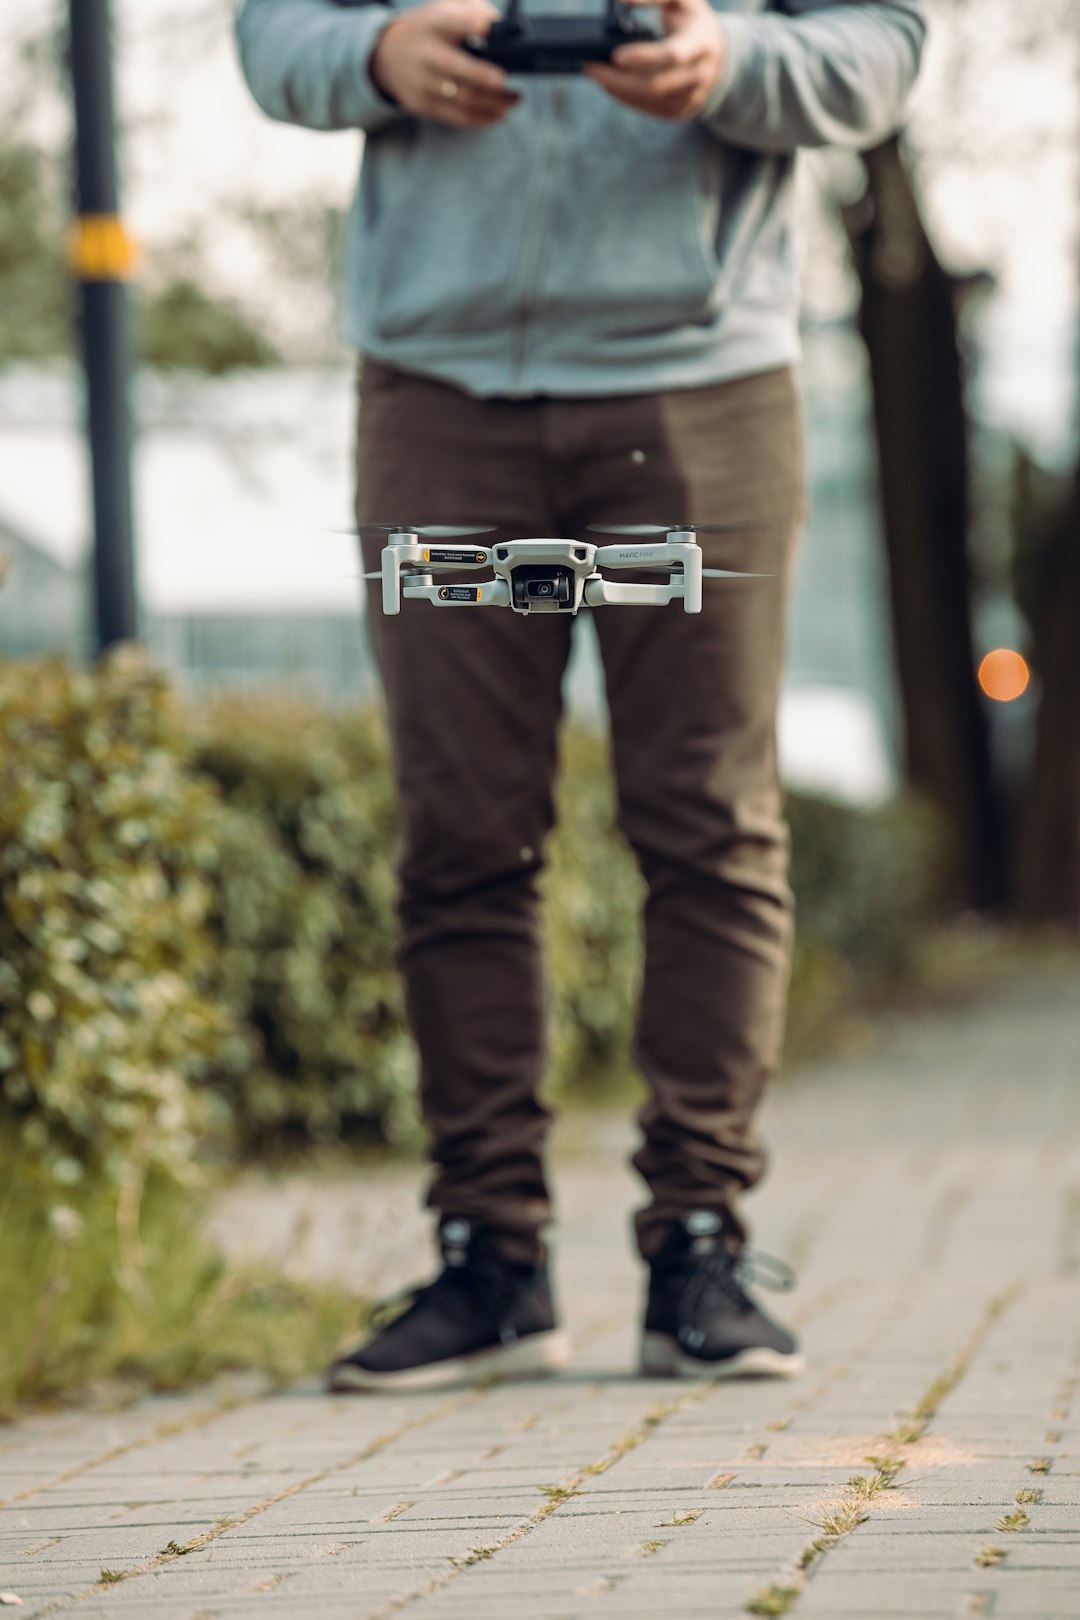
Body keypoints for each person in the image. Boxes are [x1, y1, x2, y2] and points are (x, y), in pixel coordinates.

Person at [235, 0, 926, 1391]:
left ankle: (699, 1245)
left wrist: (731, 62)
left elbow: (885, 48)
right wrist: (376, 57)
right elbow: (270, 31)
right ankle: (492, 1259)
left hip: (700, 398)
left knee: (708, 822)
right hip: (442, 407)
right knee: (464, 833)